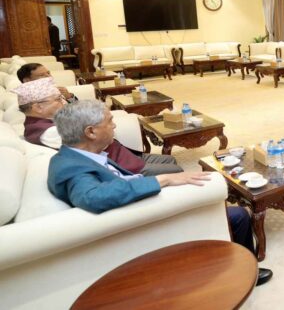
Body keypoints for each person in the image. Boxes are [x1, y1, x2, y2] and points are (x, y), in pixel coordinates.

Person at [46, 99, 272, 286]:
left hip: (143, 201)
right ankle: (246, 273)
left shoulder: (74, 155)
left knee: (207, 191)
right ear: (91, 132)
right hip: (147, 218)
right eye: (109, 121)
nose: (114, 126)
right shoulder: (71, 168)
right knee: (238, 215)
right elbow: (93, 197)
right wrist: (162, 179)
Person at [13, 78, 182, 176]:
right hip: (119, 166)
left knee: (171, 160)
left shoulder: (52, 119)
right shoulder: (48, 132)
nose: (62, 102)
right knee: (176, 169)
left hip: (123, 155)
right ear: (38, 107)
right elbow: (91, 144)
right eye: (57, 99)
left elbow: (87, 116)